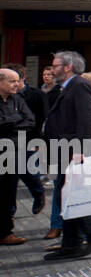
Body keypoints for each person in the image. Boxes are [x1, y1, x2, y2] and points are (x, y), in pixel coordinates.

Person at [43, 51, 91, 261]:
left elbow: (88, 120)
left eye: (55, 66)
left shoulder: (80, 86)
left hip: (76, 151)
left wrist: (79, 151)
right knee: (68, 194)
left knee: (73, 194)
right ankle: (71, 243)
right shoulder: (69, 87)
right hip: (68, 149)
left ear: (68, 67)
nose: (52, 69)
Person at [4, 62, 47, 215]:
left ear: (22, 79)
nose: (14, 84)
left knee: (28, 172)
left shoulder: (37, 95)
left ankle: (38, 194)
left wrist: (39, 142)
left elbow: (40, 119)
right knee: (11, 179)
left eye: (16, 80)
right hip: (9, 143)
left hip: (30, 141)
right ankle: (10, 213)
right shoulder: (6, 96)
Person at [0, 67, 35, 245]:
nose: (17, 84)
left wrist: (9, 123)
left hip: (12, 154)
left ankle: (5, 232)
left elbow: (30, 121)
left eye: (18, 80)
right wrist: (16, 120)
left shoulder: (18, 99)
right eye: (12, 81)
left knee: (8, 194)